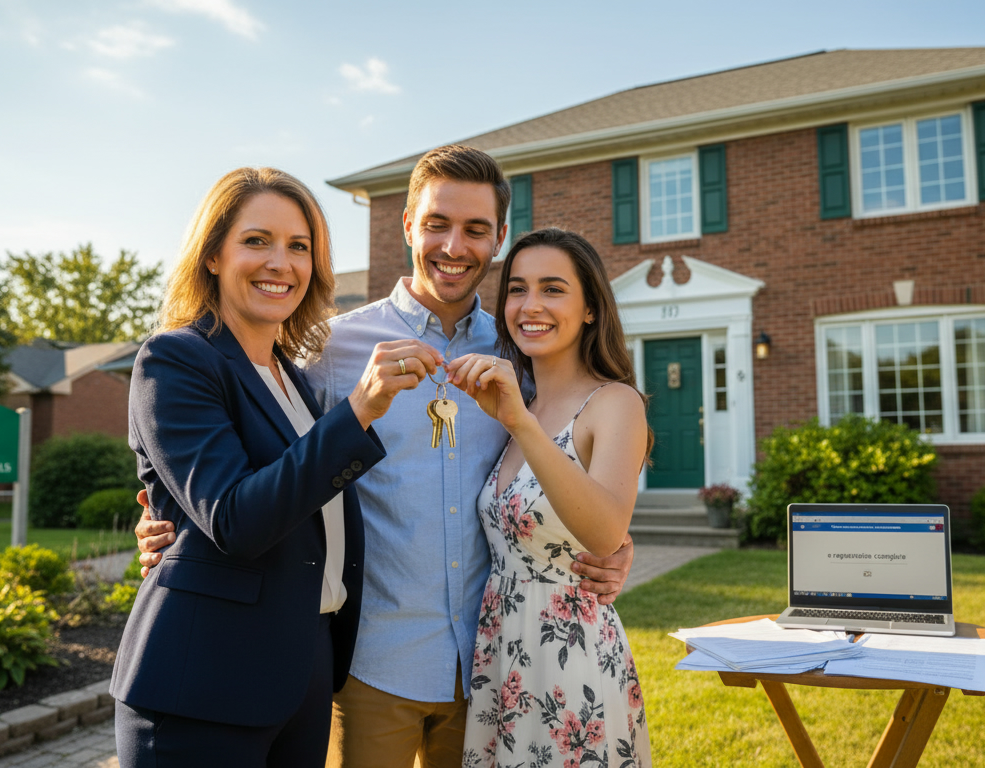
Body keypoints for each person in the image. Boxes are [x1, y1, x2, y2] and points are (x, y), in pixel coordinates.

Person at [133, 145, 637, 768]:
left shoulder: (522, 351)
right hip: (372, 664)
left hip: (494, 667)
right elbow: (251, 467)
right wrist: (172, 520)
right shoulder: (330, 349)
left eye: (476, 229)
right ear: (407, 226)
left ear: (499, 237)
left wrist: (611, 543)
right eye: (436, 224)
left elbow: (566, 459)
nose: (455, 246)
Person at [111, 166, 440, 767]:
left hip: (302, 670)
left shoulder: (292, 377)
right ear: (212, 255)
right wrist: (359, 409)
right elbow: (234, 518)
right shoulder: (175, 360)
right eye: (256, 241)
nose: (279, 263)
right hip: (204, 682)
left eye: (299, 246)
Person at [446, 228, 652, 767]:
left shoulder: (614, 403)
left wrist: (522, 424)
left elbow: (605, 532)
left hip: (570, 656)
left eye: (553, 289)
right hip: (502, 653)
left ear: (589, 309)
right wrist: (520, 415)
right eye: (517, 289)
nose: (530, 305)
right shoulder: (521, 404)